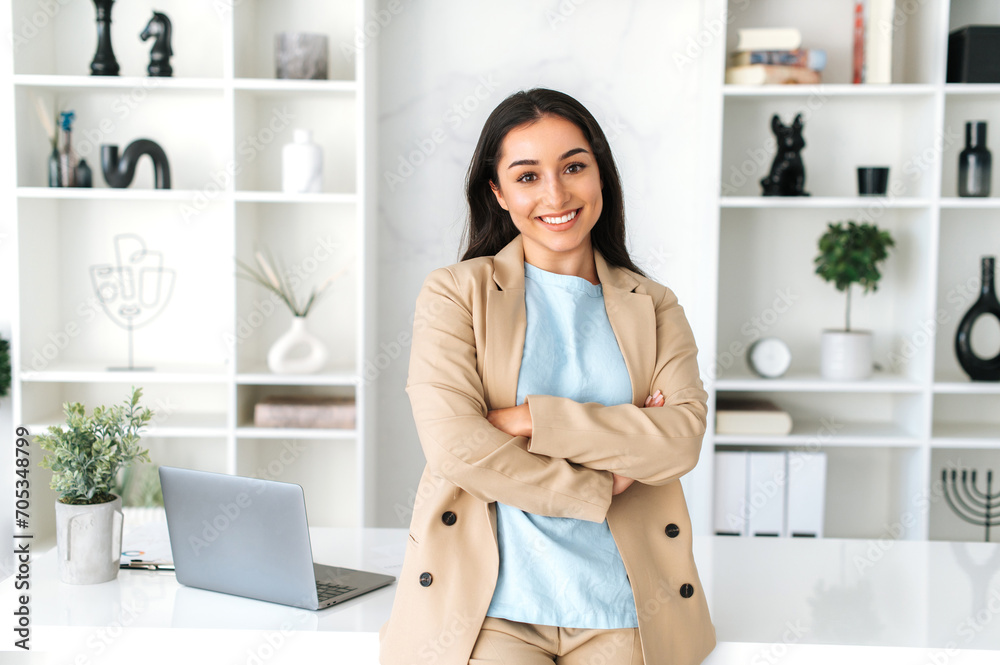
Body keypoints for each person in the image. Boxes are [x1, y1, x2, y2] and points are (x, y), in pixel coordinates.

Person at [379, 88, 716, 665]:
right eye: (528, 176)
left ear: (600, 174)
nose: (556, 195)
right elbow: (456, 446)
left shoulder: (654, 305)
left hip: (624, 606)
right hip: (489, 609)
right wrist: (604, 480)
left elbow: (680, 439)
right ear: (498, 191)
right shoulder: (456, 293)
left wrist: (529, 419)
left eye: (574, 167)